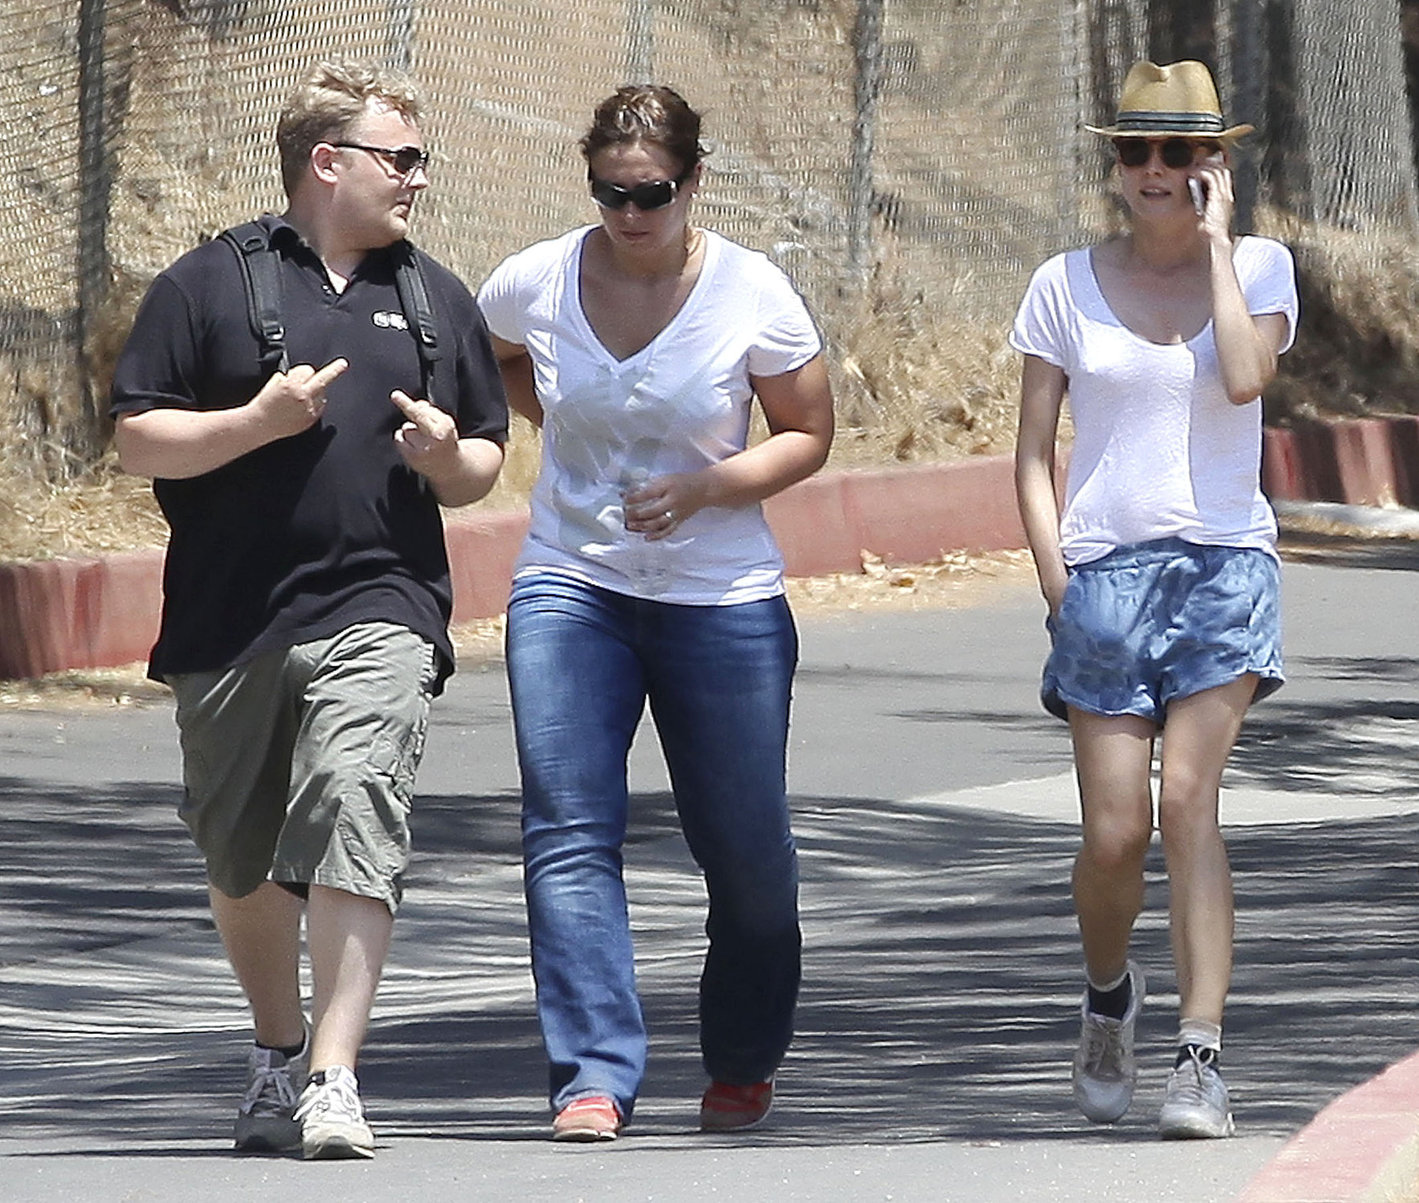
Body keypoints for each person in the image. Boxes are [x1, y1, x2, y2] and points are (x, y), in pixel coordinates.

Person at [110, 60, 508, 1159]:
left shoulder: (434, 296)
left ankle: (334, 1074)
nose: (417, 180)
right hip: (230, 621)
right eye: (401, 158)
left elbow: (484, 459)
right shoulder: (208, 283)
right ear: (327, 163)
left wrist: (445, 459)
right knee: (239, 859)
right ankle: (277, 1054)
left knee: (353, 795)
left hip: (381, 600)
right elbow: (139, 436)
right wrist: (253, 423)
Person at [477, 84, 833, 1142]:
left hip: (719, 597)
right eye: (611, 193)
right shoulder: (538, 278)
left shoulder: (751, 292)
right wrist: (555, 423)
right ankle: (592, 1074)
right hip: (571, 581)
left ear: (693, 182)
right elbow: (491, 351)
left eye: (652, 194)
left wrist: (712, 485)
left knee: (749, 858)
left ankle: (740, 1057)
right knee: (567, 829)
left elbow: (808, 430)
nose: (631, 214)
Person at [1011, 60, 1297, 1139]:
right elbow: (1034, 455)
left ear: (1215, 162)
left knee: (1190, 808)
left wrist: (1220, 247)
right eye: (1136, 151)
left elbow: (1243, 378)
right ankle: (1106, 998)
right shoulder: (1063, 282)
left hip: (1226, 565)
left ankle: (1199, 1057)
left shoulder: (1263, 267)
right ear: (1114, 163)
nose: (1154, 172)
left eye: (1179, 151)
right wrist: (1057, 586)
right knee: (1116, 832)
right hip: (1103, 578)